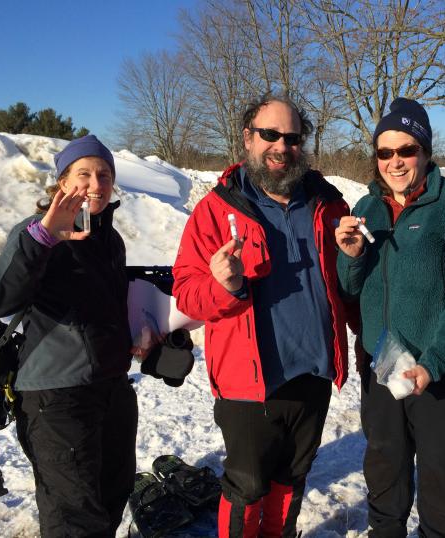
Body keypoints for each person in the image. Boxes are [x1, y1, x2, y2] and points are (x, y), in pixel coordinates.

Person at [172, 93, 353, 537]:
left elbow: (348, 278)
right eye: (270, 134)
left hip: (313, 371)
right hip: (248, 382)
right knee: (248, 485)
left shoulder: (328, 204)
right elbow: (186, 293)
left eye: (292, 137)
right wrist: (223, 285)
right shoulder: (216, 210)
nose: (281, 146)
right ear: (248, 138)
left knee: (292, 479)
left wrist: (355, 257)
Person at [335, 98, 445, 537]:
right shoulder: (365, 209)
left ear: (424, 151)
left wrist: (435, 361)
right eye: (384, 152)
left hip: (442, 372)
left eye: (406, 150)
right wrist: (349, 257)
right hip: (383, 365)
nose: (395, 161)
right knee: (385, 468)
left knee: (442, 481)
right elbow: (351, 290)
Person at [0, 135, 137, 537]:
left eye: (104, 174)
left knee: (111, 495)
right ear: (61, 183)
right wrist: (44, 237)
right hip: (57, 397)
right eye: (83, 173)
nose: (95, 183)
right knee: (74, 518)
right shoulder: (35, 233)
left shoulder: (109, 240)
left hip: (112, 389)